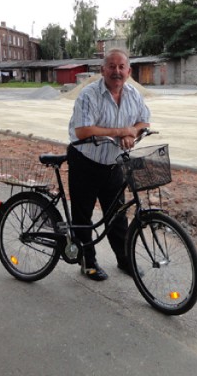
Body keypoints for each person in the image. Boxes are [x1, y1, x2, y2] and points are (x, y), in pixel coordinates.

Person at [68, 48, 150, 281]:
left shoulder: (134, 94)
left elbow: (144, 119)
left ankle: (124, 260)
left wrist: (132, 132)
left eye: (121, 67)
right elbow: (83, 130)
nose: (117, 71)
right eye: (111, 66)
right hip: (86, 161)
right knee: (82, 215)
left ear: (129, 71)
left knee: (117, 215)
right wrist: (119, 132)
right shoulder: (89, 95)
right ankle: (88, 262)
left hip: (114, 163)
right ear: (102, 70)